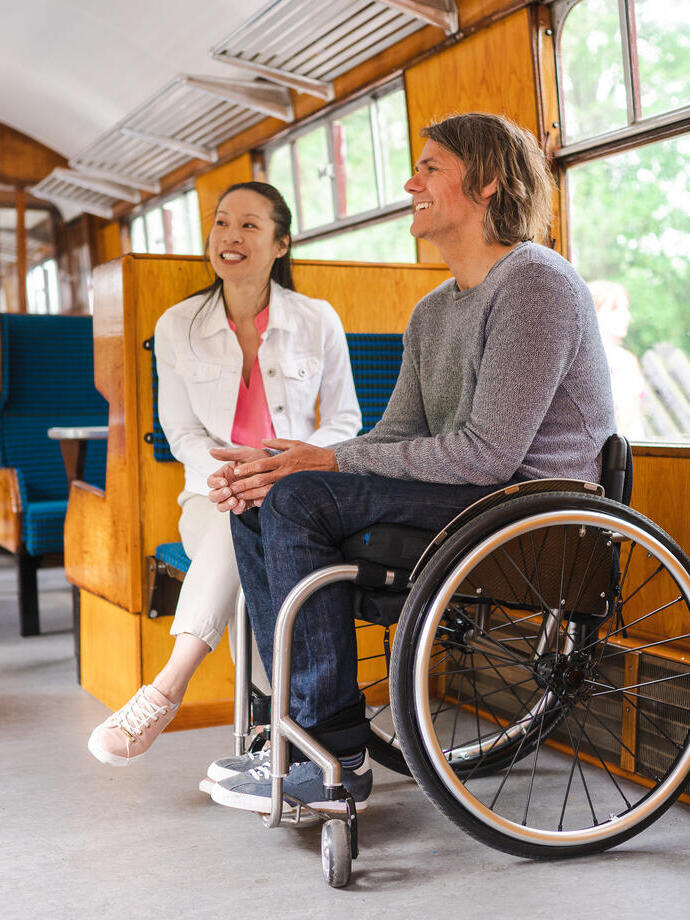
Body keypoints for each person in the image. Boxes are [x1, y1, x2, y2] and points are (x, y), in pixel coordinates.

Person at [204, 112, 616, 816]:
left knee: (301, 499)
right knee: (263, 498)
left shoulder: (536, 284)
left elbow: (490, 453)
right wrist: (287, 462)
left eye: (430, 168)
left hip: (529, 506)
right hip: (470, 498)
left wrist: (327, 462)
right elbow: (396, 435)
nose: (410, 182)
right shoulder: (431, 312)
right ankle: (298, 729)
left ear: (486, 182)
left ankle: (331, 749)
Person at [87, 181, 361, 767]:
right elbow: (181, 432)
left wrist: (282, 466)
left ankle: (170, 687)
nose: (229, 237)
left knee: (255, 534)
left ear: (281, 243)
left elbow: (345, 421)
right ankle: (274, 724)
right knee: (236, 526)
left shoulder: (318, 319)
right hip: (212, 493)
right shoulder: (176, 325)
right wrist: (237, 478)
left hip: (300, 493)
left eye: (249, 226)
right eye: (220, 223)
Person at [589, 280, 648, 439]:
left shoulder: (629, 361)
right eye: (615, 309)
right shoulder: (586, 363)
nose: (626, 316)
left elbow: (634, 416)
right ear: (593, 313)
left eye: (626, 308)